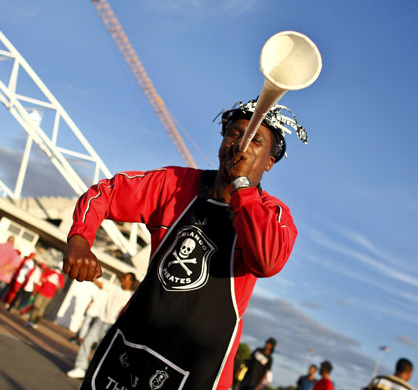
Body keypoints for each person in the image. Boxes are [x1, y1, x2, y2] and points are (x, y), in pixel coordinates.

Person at [63, 98, 307, 390]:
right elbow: (106, 193)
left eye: (255, 140)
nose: (241, 145)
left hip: (198, 369)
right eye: (234, 133)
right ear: (222, 141)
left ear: (270, 161)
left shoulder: (272, 213)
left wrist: (243, 187)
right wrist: (79, 238)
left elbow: (267, 261)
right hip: (129, 345)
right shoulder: (174, 183)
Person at [67, 272, 135, 379]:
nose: (121, 279)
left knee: (103, 351)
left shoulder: (131, 296)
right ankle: (80, 368)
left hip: (113, 327)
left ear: (130, 281)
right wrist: (88, 274)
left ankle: (95, 373)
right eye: (122, 277)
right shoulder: (114, 288)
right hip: (100, 321)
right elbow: (100, 284)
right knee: (87, 342)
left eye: (124, 278)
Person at [25, 263, 65, 329]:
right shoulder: (53, 272)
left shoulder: (59, 276)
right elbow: (59, 287)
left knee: (38, 307)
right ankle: (33, 321)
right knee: (39, 308)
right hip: (45, 292)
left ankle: (33, 321)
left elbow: (59, 286)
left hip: (45, 293)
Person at [69, 279, 108, 345]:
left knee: (86, 325)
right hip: (97, 313)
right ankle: (80, 337)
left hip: (92, 312)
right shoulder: (106, 294)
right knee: (88, 325)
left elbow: (93, 300)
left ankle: (80, 338)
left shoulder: (101, 292)